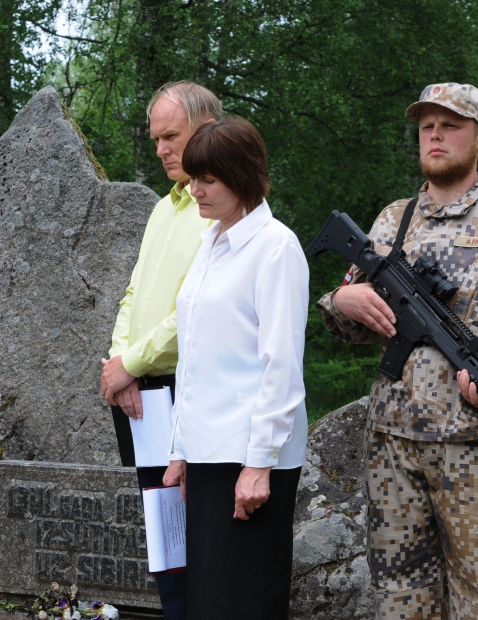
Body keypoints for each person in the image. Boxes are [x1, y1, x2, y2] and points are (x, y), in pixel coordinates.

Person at [316, 83, 478, 619]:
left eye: (450, 124)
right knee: (399, 605)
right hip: (394, 454)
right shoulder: (393, 220)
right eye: (427, 124)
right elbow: (356, 326)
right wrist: (343, 298)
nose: (434, 133)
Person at [161, 117, 309, 620]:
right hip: (207, 456)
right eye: (193, 177)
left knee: (244, 603)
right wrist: (181, 449)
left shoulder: (275, 247)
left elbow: (281, 365)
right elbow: (197, 357)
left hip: (250, 460)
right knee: (209, 603)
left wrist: (260, 462)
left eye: (207, 180)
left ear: (242, 176)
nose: (194, 189)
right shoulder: (211, 243)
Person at [100, 81, 221, 619]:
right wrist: (119, 361)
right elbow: (134, 292)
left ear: (205, 129)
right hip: (144, 396)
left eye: (171, 136)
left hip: (188, 392)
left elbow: (194, 313)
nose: (161, 149)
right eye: (156, 139)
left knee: (201, 547)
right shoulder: (165, 207)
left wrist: (134, 362)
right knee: (166, 545)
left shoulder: (219, 209)